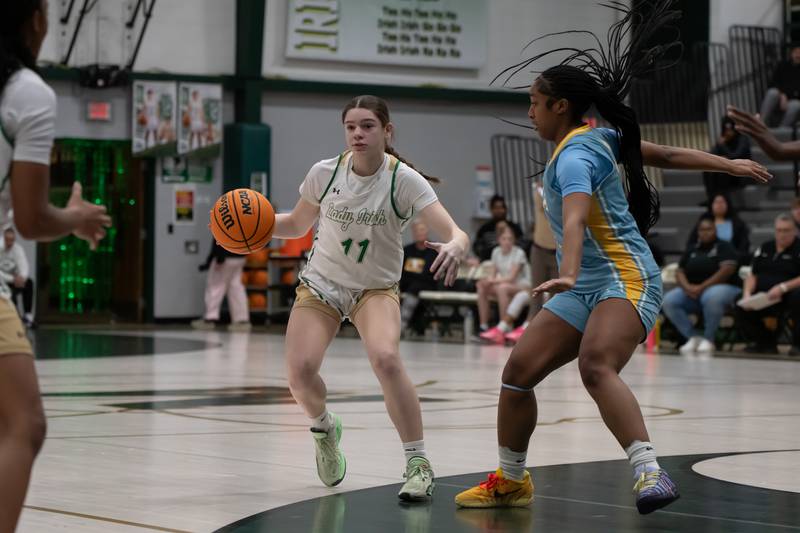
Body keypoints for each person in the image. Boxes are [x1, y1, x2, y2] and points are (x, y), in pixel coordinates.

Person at [454, 0, 770, 514]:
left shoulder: (576, 156)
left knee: (595, 364)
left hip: (626, 279)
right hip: (585, 287)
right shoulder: (598, 137)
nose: (530, 111)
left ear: (560, 106)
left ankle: (650, 472)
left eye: (535, 102)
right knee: (516, 374)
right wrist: (728, 165)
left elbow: (575, 220)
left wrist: (567, 272)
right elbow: (668, 154)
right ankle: (511, 482)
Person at [270, 95, 469, 501]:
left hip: (374, 288)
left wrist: (457, 246)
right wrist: (252, 228)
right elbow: (295, 224)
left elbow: (455, 232)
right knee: (300, 374)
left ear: (387, 131)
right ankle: (325, 429)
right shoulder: (325, 173)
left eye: (367, 126)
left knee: (386, 358)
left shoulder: (403, 180)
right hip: (323, 283)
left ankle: (418, 463)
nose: (357, 134)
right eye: (350, 127)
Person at [0, 1, 112, 530]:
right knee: (24, 423)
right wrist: (77, 218)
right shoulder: (26, 93)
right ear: (34, 21)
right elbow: (31, 218)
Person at [662, 215, 741, 356]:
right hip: (693, 291)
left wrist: (702, 287)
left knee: (712, 296)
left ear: (715, 230)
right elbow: (679, 271)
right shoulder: (692, 249)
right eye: (702, 230)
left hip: (725, 288)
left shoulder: (724, 246)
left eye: (709, 229)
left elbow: (727, 270)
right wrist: (687, 287)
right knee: (669, 300)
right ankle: (693, 337)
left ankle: (709, 339)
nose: (705, 232)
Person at [736, 214, 800, 355]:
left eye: (786, 230)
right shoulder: (766, 247)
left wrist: (783, 287)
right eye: (779, 230)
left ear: (795, 231)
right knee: (740, 301)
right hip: (764, 295)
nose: (782, 234)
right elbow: (752, 275)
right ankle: (765, 343)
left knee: (798, 297)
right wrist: (747, 294)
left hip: (789, 293)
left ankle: (798, 344)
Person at [505, 177, 558, 344]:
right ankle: (528, 326)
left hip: (558, 251)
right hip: (539, 249)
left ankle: (552, 333)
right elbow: (542, 205)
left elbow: (552, 209)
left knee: (557, 295)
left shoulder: (564, 192)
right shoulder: (538, 189)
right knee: (536, 292)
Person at [477, 226, 532, 342]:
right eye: (504, 239)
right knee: (481, 285)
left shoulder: (519, 253)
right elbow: (493, 274)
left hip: (522, 285)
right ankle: (483, 325)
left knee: (502, 288)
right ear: (499, 240)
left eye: (510, 239)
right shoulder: (496, 252)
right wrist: (488, 280)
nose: (507, 242)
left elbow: (512, 278)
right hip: (505, 283)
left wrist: (493, 281)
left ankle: (503, 328)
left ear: (514, 240)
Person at [191, 240, 251, 332]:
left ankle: (210, 318)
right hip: (240, 257)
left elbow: (219, 239)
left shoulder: (221, 228)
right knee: (236, 287)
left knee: (215, 287)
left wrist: (217, 258)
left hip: (224, 258)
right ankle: (241, 320)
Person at [399, 220, 438, 335]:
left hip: (426, 283)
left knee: (415, 286)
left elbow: (427, 273)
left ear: (427, 231)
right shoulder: (407, 250)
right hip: (407, 283)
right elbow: (401, 271)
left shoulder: (434, 251)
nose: (419, 233)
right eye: (416, 230)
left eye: (421, 230)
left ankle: (402, 324)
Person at [703, 116, 751, 207]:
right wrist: (718, 145)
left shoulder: (742, 139)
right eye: (726, 130)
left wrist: (722, 147)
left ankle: (722, 200)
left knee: (722, 171)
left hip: (741, 172)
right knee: (707, 169)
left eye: (730, 129)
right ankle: (711, 198)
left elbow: (736, 156)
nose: (728, 132)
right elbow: (712, 155)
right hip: (728, 171)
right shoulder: (724, 140)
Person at [686, 193, 750, 260]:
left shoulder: (737, 223)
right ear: (711, 205)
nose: (720, 205)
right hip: (707, 257)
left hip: (730, 258)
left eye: (722, 202)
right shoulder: (704, 221)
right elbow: (692, 242)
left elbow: (743, 245)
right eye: (716, 202)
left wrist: (736, 257)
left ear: (728, 204)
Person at [0, 228, 35, 328]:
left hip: (15, 280)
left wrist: (22, 277)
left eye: (12, 240)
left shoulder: (17, 249)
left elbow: (23, 264)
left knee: (29, 283)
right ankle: (15, 320)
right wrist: (12, 279)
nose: (10, 243)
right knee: (10, 294)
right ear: (4, 238)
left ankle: (28, 316)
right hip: (3, 281)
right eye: (8, 240)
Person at [759, 46, 800, 128]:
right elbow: (773, 83)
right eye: (796, 53)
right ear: (791, 54)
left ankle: (781, 130)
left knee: (796, 105)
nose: (798, 55)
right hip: (779, 98)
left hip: (793, 101)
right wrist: (782, 95)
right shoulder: (783, 66)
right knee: (772, 92)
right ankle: (760, 123)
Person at [473, 195, 524, 261]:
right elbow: (477, 247)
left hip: (513, 260)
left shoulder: (515, 227)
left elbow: (522, 244)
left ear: (505, 209)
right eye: (496, 208)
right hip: (490, 261)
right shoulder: (484, 229)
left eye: (501, 207)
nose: (499, 210)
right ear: (491, 209)